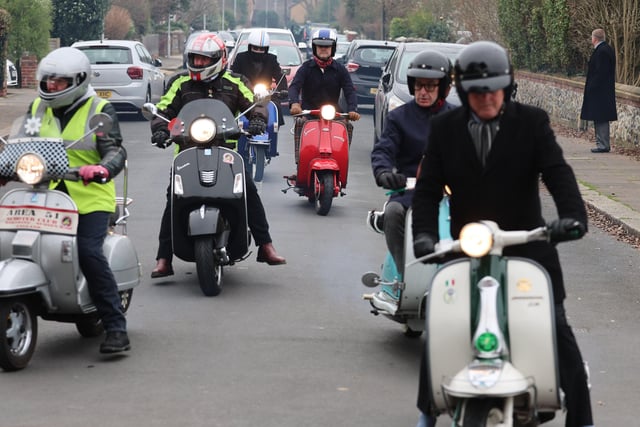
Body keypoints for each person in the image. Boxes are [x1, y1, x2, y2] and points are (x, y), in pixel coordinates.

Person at [411, 41, 594, 427]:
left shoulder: (532, 123)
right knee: (439, 326)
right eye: (477, 91)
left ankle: (583, 421)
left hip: (528, 247)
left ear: (507, 86)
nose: (486, 98)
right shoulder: (444, 129)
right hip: (466, 249)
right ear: (463, 92)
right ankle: (426, 415)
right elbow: (427, 191)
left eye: (493, 88)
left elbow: (557, 172)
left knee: (558, 330)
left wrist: (572, 217)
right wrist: (425, 237)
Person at [14, 47, 130, 354]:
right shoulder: (38, 107)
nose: (51, 87)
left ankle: (116, 327)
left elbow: (116, 150)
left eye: (59, 82)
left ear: (78, 80)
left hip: (90, 198)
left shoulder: (99, 110)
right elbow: (20, 144)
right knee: (12, 240)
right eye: (48, 80)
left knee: (88, 250)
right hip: (42, 193)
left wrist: (102, 168)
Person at [150, 32, 286, 278]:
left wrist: (257, 120)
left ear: (219, 58)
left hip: (226, 152)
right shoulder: (180, 83)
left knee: (249, 191)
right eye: (195, 59)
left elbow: (256, 105)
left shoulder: (235, 81)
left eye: (204, 59)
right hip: (188, 152)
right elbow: (163, 109)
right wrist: (160, 129)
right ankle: (163, 258)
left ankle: (265, 246)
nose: (199, 64)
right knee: (174, 199)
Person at [369, 49, 457, 273]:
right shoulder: (399, 117)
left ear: (444, 87)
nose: (423, 92)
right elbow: (384, 149)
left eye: (430, 86)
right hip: (410, 190)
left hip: (454, 192)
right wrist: (384, 172)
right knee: (393, 213)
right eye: (418, 85)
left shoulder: (458, 119)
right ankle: (403, 274)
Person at [288, 28, 360, 165]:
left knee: (347, 126)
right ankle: (300, 163)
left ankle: (342, 160)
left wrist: (353, 109)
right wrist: (295, 103)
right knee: (299, 123)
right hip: (309, 112)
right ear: (314, 47)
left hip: (334, 113)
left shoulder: (340, 70)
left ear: (333, 48)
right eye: (320, 46)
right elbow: (294, 87)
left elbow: (349, 90)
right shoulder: (305, 68)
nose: (323, 49)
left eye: (327, 46)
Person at [231, 28, 288, 127]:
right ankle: (232, 127)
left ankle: (274, 128)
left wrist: (283, 89)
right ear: (250, 47)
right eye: (255, 48)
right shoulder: (241, 58)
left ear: (266, 49)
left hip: (266, 95)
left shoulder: (271, 59)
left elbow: (279, 76)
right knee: (232, 106)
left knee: (276, 106)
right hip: (244, 93)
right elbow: (234, 75)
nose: (258, 51)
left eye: (261, 49)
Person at [580, 28, 617, 153]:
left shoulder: (601, 51)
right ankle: (602, 143)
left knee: (600, 117)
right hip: (603, 91)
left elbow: (600, 72)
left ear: (594, 38)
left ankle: (603, 145)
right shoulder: (607, 49)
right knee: (600, 117)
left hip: (600, 92)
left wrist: (592, 87)